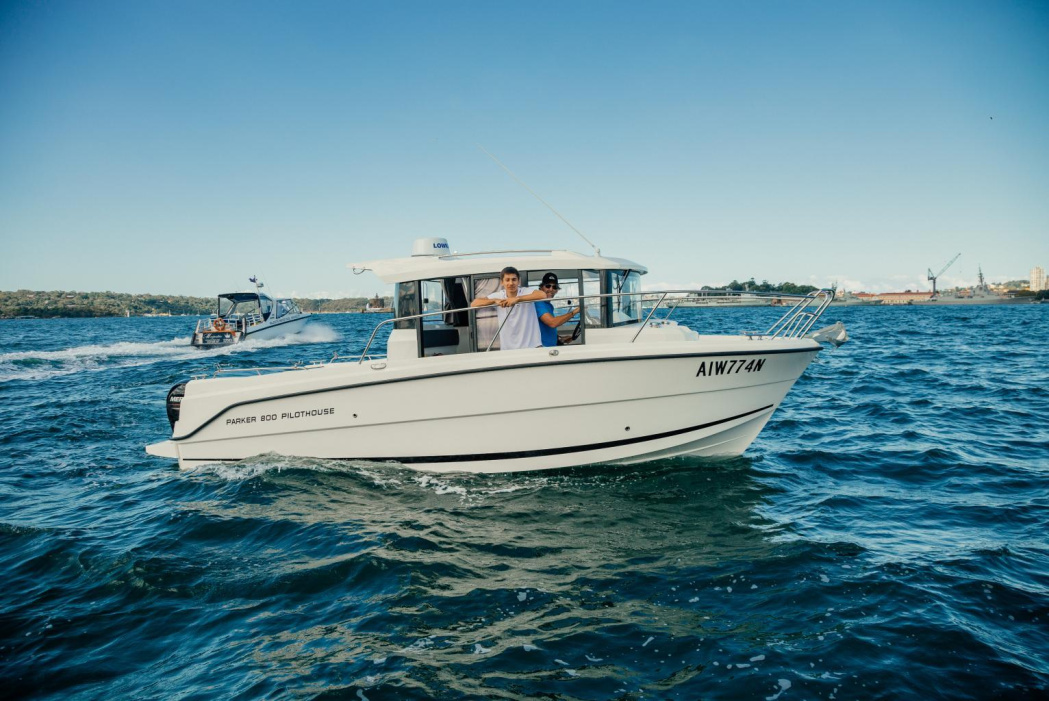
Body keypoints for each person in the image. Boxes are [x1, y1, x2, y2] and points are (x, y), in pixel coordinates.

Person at [470, 266, 546, 350]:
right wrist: (494, 301)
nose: (511, 283)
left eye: (514, 279)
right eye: (507, 280)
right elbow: (474, 304)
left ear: (519, 281)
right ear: (502, 282)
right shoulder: (499, 295)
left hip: (532, 346)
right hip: (508, 349)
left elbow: (542, 295)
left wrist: (517, 299)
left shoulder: (525, 291)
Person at [534, 272, 579, 347]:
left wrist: (560, 339)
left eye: (554, 287)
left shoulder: (549, 305)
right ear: (541, 288)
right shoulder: (538, 303)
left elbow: (546, 328)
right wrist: (574, 312)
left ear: (557, 290)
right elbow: (553, 323)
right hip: (543, 349)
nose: (551, 289)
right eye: (548, 286)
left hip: (551, 347)